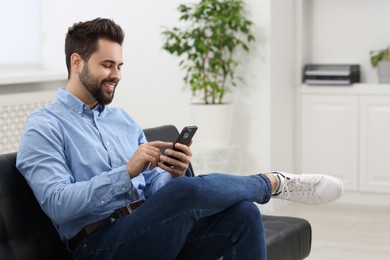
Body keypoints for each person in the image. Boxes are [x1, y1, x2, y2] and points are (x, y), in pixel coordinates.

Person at [16, 18, 343, 260]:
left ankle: (264, 187)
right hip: (99, 246)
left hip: (151, 230)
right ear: (77, 62)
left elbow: (155, 191)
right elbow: (59, 206)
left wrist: (171, 173)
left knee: (242, 214)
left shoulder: (122, 120)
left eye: (119, 65)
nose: (116, 74)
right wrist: (126, 172)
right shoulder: (44, 126)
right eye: (106, 64)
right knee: (189, 189)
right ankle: (272, 183)